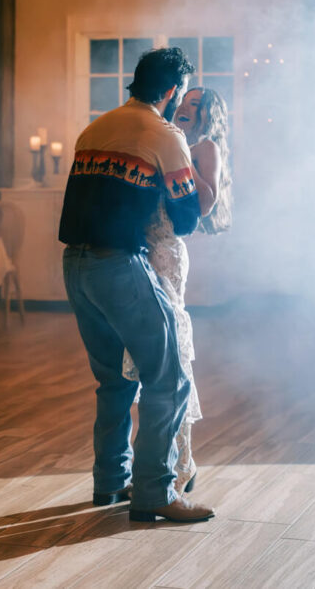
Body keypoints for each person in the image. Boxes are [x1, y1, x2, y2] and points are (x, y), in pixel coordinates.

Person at [59, 47, 216, 523]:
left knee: (112, 381)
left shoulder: (96, 127)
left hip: (74, 265)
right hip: (118, 264)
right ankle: (154, 491)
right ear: (170, 92)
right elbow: (187, 216)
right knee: (168, 378)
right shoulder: (164, 134)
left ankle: (110, 483)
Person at [121, 86, 231, 494]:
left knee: (171, 358)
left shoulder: (205, 148)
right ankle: (156, 463)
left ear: (208, 114)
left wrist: (182, 156)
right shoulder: (165, 138)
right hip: (139, 248)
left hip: (167, 252)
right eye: (185, 100)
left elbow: (204, 203)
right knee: (143, 356)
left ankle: (181, 463)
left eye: (197, 104)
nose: (187, 107)